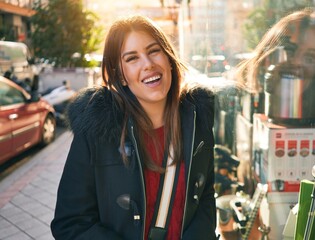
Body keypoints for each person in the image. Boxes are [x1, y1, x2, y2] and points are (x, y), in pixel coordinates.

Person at [51, 15, 218, 239]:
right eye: (132, 58)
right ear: (121, 75)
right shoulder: (97, 131)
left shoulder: (197, 121)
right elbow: (71, 223)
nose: (148, 64)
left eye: (153, 51)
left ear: (169, 58)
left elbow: (205, 197)